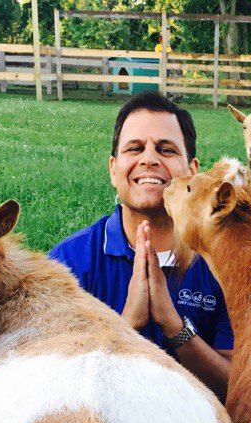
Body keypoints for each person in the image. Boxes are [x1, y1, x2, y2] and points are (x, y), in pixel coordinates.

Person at [49, 92, 232, 401]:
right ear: (113, 169)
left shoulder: (224, 266)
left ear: (192, 171)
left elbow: (239, 389)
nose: (149, 159)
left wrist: (174, 327)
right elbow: (47, 385)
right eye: (134, 148)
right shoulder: (68, 264)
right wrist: (125, 326)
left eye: (166, 149)